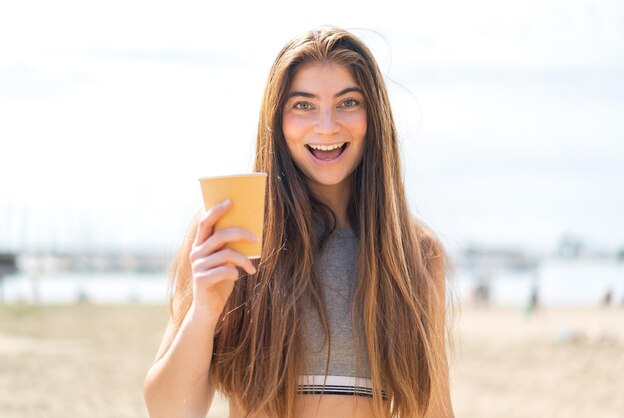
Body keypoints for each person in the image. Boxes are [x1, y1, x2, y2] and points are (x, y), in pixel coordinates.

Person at [144, 27, 454, 418]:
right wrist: (205, 310)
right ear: (277, 118)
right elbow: (168, 411)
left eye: (348, 102)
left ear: (374, 116)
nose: (326, 126)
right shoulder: (229, 232)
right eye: (303, 105)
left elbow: (435, 410)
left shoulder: (415, 253)